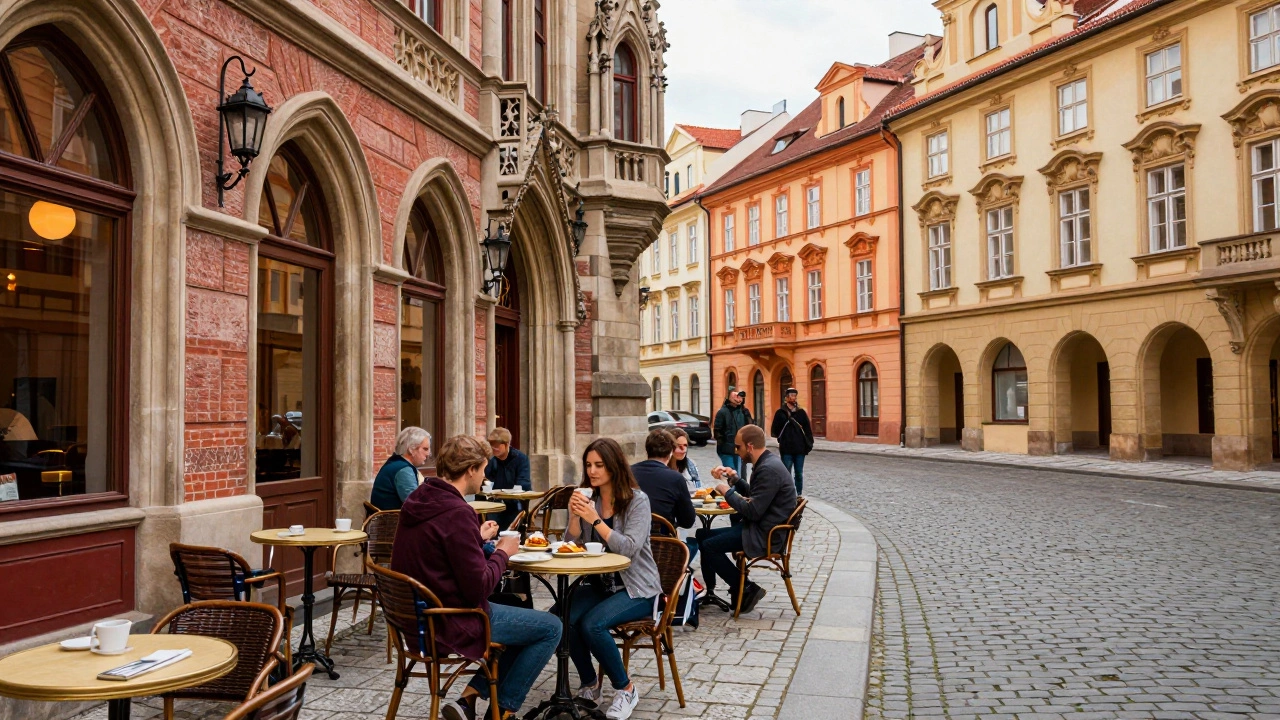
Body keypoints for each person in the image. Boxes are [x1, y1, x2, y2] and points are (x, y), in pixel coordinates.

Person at [392, 435, 561, 720]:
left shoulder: (421, 500)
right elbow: (479, 588)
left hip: (415, 622)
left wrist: (475, 539)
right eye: (483, 469)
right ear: (470, 470)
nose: (485, 476)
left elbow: (438, 551)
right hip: (450, 621)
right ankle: (502, 712)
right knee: (551, 627)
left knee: (522, 616)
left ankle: (468, 701)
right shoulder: (457, 512)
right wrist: (504, 553)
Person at [564, 438, 662, 720]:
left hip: (638, 588)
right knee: (560, 617)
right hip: (600, 584)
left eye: (599, 465)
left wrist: (595, 520)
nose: (592, 471)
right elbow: (571, 543)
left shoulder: (636, 500)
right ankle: (590, 683)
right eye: (588, 465)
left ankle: (626, 688)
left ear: (614, 466)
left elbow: (629, 547)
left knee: (592, 625)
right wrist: (574, 516)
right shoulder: (590, 499)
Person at [696, 424, 798, 614]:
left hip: (764, 534)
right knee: (702, 534)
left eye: (738, 447)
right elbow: (759, 496)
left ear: (750, 446)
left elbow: (753, 511)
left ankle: (745, 587)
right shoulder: (767, 463)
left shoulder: (768, 468)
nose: (736, 451)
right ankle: (710, 591)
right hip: (761, 527)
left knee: (709, 546)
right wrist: (734, 478)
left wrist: (726, 491)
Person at [630, 428, 695, 534]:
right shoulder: (676, 478)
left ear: (647, 450)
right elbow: (687, 522)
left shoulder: (628, 472)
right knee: (692, 545)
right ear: (670, 453)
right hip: (662, 540)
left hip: (630, 535)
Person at [370, 427, 430, 511]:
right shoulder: (404, 470)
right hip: (391, 522)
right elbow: (416, 506)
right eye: (425, 449)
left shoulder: (395, 463)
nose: (428, 454)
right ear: (411, 449)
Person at [484, 427, 531, 529]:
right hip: (495, 504)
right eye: (491, 445)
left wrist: (508, 491)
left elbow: (524, 483)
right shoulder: (491, 460)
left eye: (496, 445)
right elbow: (484, 479)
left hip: (514, 504)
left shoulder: (520, 459)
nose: (493, 448)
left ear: (507, 444)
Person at [770, 387, 813, 494]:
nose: (793, 398)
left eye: (795, 396)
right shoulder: (780, 413)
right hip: (787, 449)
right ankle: (787, 494)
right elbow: (775, 430)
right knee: (786, 473)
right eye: (791, 395)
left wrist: (809, 443)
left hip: (799, 449)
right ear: (786, 398)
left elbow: (807, 429)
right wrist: (783, 439)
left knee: (799, 473)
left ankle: (798, 494)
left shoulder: (801, 412)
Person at [712, 390, 752, 472]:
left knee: (741, 477)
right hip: (726, 450)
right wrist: (724, 443)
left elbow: (750, 427)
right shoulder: (722, 412)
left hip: (740, 449)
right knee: (731, 474)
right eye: (735, 395)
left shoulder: (744, 412)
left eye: (740, 396)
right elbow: (717, 430)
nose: (738, 398)